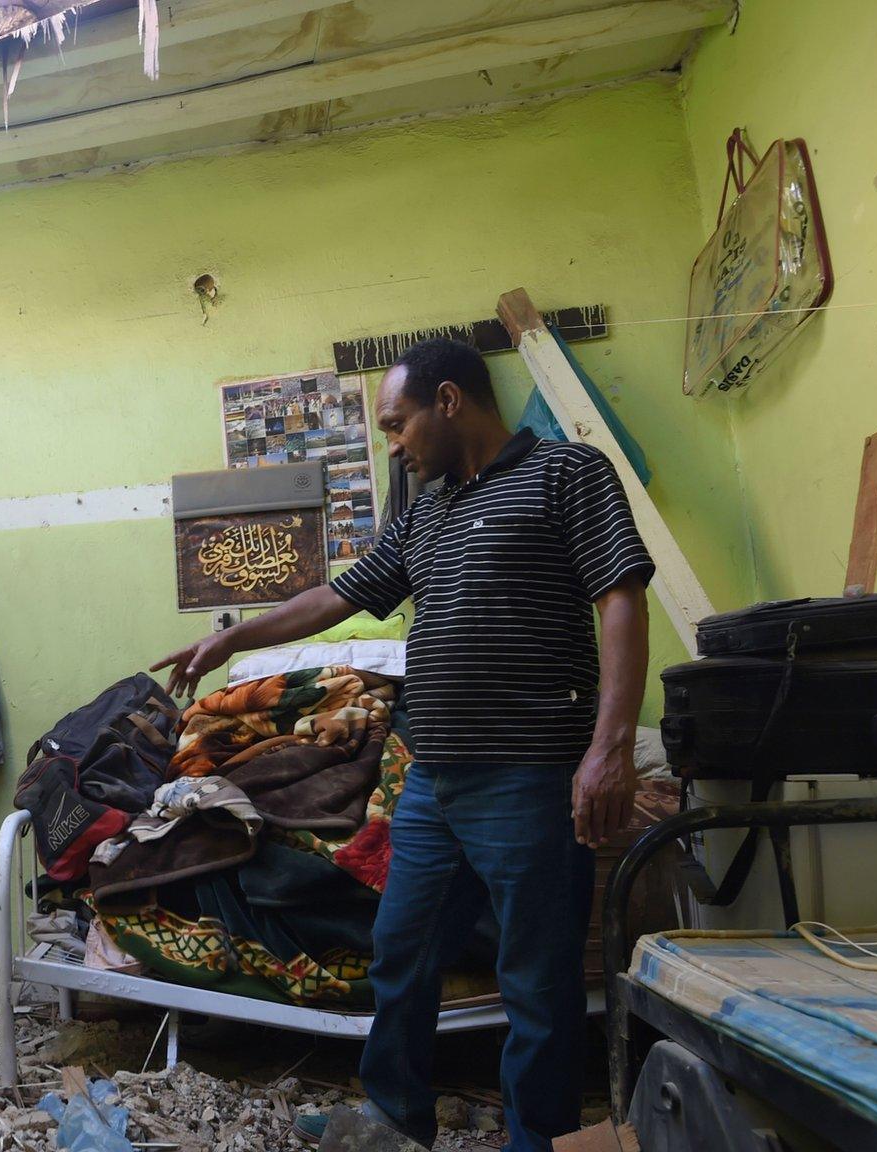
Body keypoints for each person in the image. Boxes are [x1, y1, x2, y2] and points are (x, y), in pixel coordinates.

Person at [153, 338, 653, 1152]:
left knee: (537, 980)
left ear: (448, 401)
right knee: (401, 954)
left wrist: (612, 748)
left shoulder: (568, 475)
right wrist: (232, 640)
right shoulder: (426, 509)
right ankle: (395, 1120)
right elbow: (337, 596)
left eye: (396, 424)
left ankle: (540, 1140)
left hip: (528, 776)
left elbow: (620, 599)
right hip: (434, 782)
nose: (394, 443)